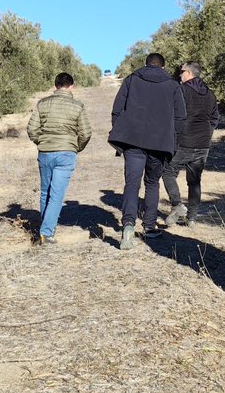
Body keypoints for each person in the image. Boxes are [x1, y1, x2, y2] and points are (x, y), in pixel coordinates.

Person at [108, 52, 186, 249]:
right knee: (152, 183)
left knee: (131, 184)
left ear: (146, 64)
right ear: (163, 66)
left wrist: (121, 135)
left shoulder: (132, 79)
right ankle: (150, 227)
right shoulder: (173, 85)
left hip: (133, 141)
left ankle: (128, 225)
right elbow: (180, 117)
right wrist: (173, 141)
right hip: (160, 143)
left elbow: (117, 110)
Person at [26, 72, 92, 245]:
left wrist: (40, 142)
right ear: (71, 86)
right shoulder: (77, 106)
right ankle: (46, 233)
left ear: (55, 86)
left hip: (45, 152)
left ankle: (46, 228)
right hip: (66, 153)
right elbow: (85, 133)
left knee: (45, 192)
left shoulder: (42, 104)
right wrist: (76, 147)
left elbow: (32, 129)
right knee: (56, 194)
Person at [162, 62, 219, 227]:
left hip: (184, 142)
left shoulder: (181, 91)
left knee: (168, 171)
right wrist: (207, 133)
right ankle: (192, 218)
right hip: (203, 144)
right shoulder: (210, 94)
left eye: (181, 72)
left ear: (188, 73)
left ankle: (177, 205)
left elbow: (172, 114)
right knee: (194, 181)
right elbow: (215, 118)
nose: (179, 75)